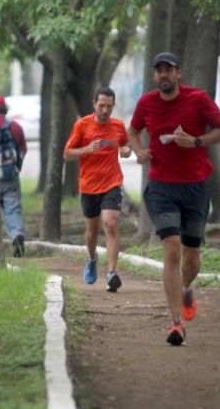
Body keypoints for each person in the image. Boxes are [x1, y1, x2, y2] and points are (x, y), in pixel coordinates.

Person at [128, 52, 220, 346]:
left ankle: (186, 288)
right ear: (154, 76)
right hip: (161, 187)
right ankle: (175, 323)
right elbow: (133, 130)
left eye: (169, 70)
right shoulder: (146, 103)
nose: (164, 74)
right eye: (159, 70)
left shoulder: (197, 99)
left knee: (192, 259)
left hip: (195, 187)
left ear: (178, 74)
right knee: (172, 250)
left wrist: (198, 141)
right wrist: (139, 151)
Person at [64, 87, 132, 292]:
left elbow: (125, 147)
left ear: (113, 106)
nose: (104, 110)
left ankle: (112, 273)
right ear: (94, 104)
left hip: (112, 183)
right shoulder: (82, 125)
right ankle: (92, 259)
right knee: (91, 232)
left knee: (110, 224)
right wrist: (87, 149)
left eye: (109, 106)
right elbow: (67, 154)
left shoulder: (118, 126)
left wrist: (126, 151)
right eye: (101, 105)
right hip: (88, 185)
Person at [0, 96, 28, 257]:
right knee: (12, 208)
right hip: (10, 175)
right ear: (5, 110)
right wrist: (16, 168)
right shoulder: (15, 127)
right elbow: (23, 149)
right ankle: (16, 235)